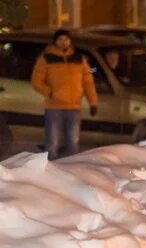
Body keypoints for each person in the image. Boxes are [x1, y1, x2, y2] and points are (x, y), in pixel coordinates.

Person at [30, 29, 98, 160]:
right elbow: (36, 80)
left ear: (70, 41)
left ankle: (69, 171)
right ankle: (50, 171)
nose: (63, 42)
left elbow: (88, 81)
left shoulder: (79, 59)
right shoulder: (46, 58)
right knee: (52, 143)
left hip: (74, 107)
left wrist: (93, 102)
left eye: (66, 40)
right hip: (54, 107)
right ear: (55, 41)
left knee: (73, 143)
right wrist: (49, 92)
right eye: (60, 40)